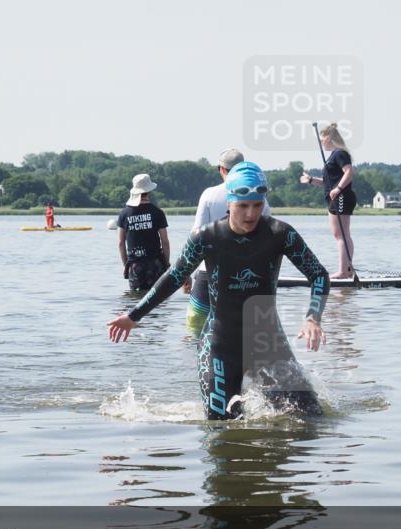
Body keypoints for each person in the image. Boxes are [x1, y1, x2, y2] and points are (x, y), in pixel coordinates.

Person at [108, 163, 329, 420]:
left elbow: (319, 275)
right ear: (229, 203)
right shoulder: (206, 238)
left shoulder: (280, 234)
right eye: (243, 206)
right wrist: (133, 316)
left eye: (257, 205)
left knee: (310, 420)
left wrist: (313, 318)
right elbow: (173, 277)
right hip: (220, 344)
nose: (251, 214)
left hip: (268, 342)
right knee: (222, 425)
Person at [183, 148, 272, 330]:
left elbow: (196, 236)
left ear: (222, 169)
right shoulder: (260, 200)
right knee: (241, 334)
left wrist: (185, 274)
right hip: (245, 278)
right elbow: (267, 241)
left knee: (194, 332)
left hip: (207, 273)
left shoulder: (209, 194)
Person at [300, 122, 356, 279]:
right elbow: (327, 183)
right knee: (343, 235)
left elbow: (349, 172)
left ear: (329, 138)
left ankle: (344, 271)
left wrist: (338, 189)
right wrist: (311, 180)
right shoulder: (334, 156)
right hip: (338, 198)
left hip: (341, 197)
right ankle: (347, 270)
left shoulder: (339, 153)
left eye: (322, 139)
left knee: (341, 235)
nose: (321, 142)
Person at [117, 174, 171, 291]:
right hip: (155, 264)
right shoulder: (157, 212)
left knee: (136, 299)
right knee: (157, 298)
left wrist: (126, 265)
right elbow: (165, 241)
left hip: (135, 265)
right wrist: (166, 264)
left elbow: (121, 243)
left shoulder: (124, 213)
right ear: (149, 191)